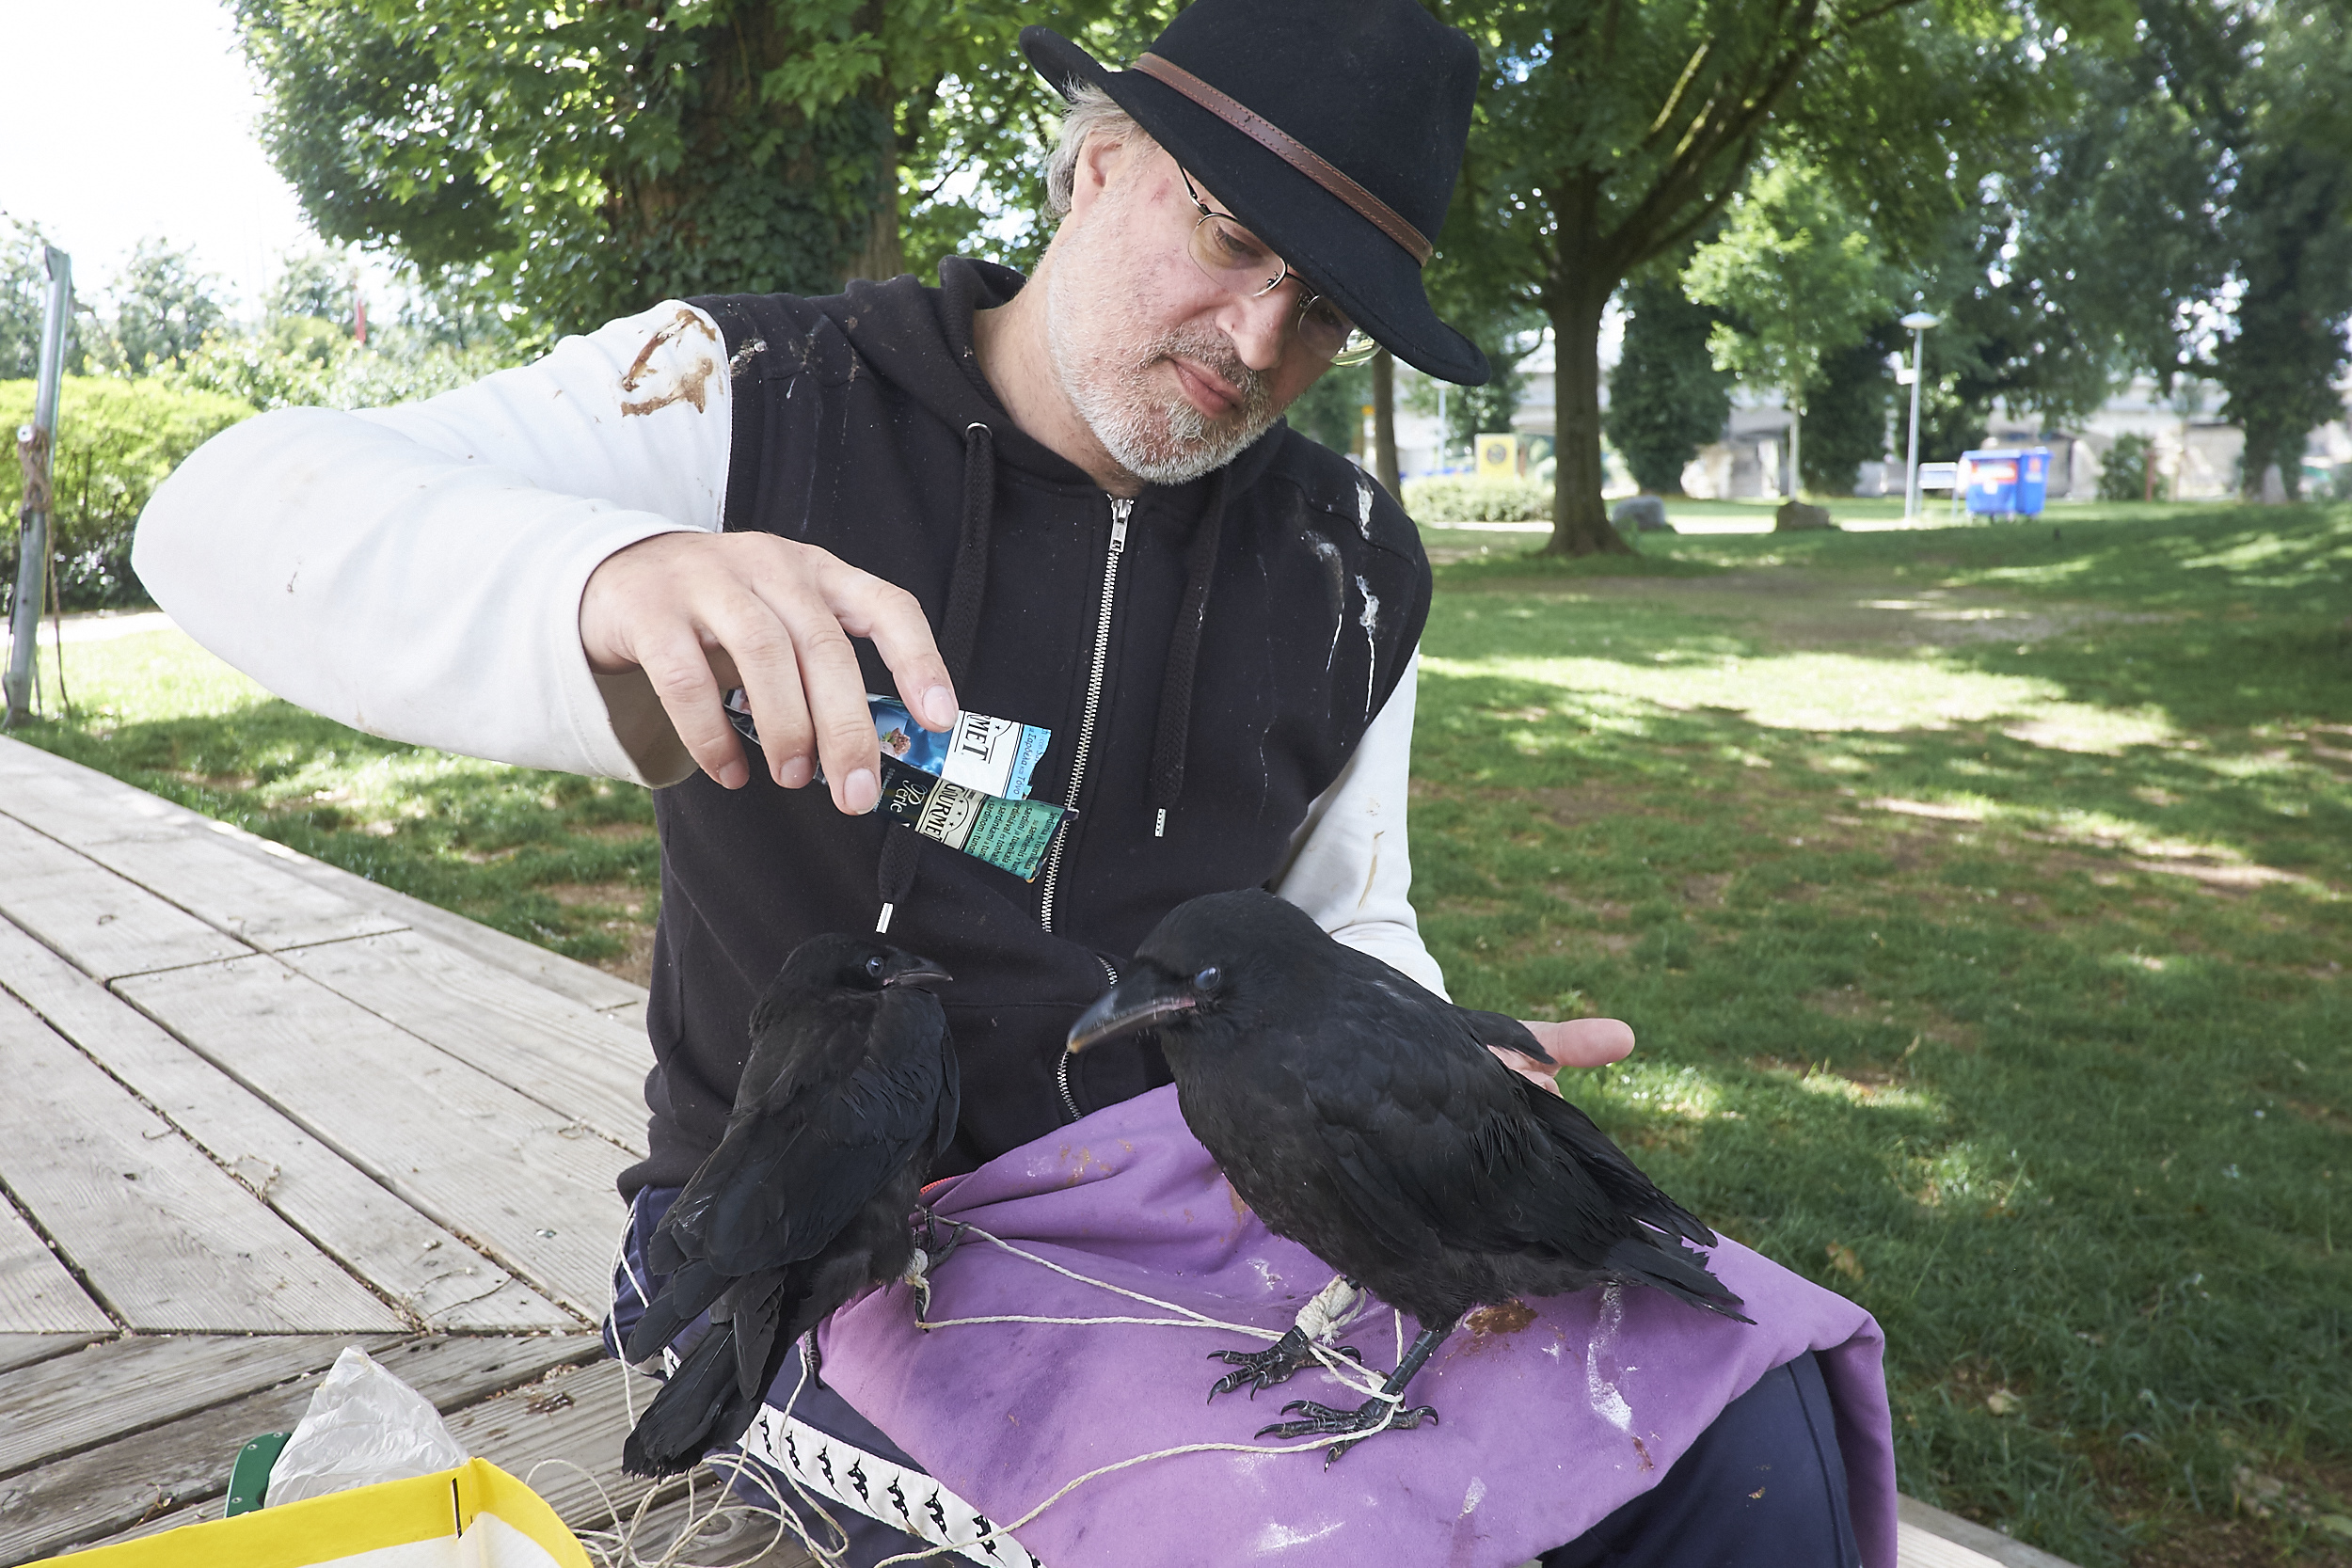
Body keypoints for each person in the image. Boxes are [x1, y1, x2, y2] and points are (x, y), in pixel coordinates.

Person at [135, 4, 1871, 1563]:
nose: (1263, 337)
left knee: (1744, 1425)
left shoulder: (1352, 564)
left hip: (1210, 1205)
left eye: (1326, 310)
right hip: (821, 1252)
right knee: (1264, 1534)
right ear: (1098, 164)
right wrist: (612, 577)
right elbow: (217, 516)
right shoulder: (747, 398)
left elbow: (1350, 920)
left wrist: (1426, 1060)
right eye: (1235, 235)